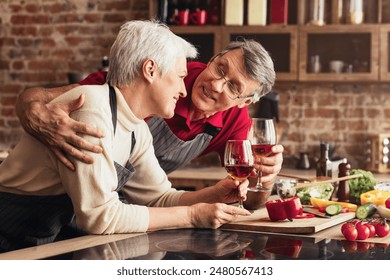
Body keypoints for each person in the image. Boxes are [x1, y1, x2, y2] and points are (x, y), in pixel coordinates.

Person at [0, 20, 251, 250]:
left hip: (44, 233)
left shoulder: (136, 127)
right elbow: (100, 216)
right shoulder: (91, 109)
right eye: (180, 77)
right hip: (8, 229)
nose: (183, 91)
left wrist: (213, 195)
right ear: (150, 70)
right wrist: (193, 216)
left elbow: (159, 198)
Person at [16, 38, 284, 196]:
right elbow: (36, 97)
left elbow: (246, 196)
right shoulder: (158, 75)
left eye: (233, 87)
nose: (216, 84)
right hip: (73, 196)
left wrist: (266, 179)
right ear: (213, 58)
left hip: (141, 202)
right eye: (220, 68)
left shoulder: (236, 122)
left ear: (246, 102)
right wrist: (34, 114)